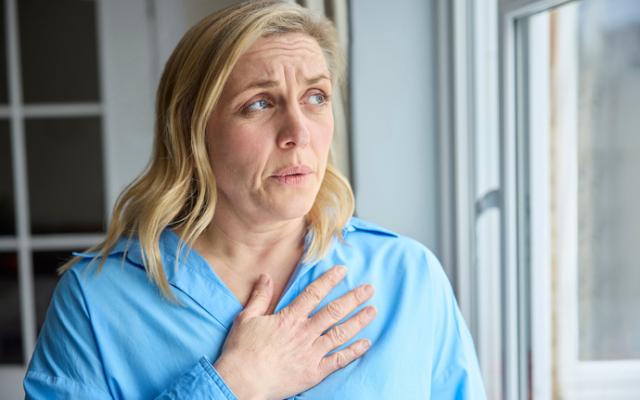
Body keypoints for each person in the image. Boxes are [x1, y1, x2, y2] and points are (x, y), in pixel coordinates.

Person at [23, 1, 485, 398]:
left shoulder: (407, 276)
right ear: (192, 129)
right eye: (260, 103)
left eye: (316, 97)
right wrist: (233, 384)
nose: (298, 133)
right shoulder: (97, 300)